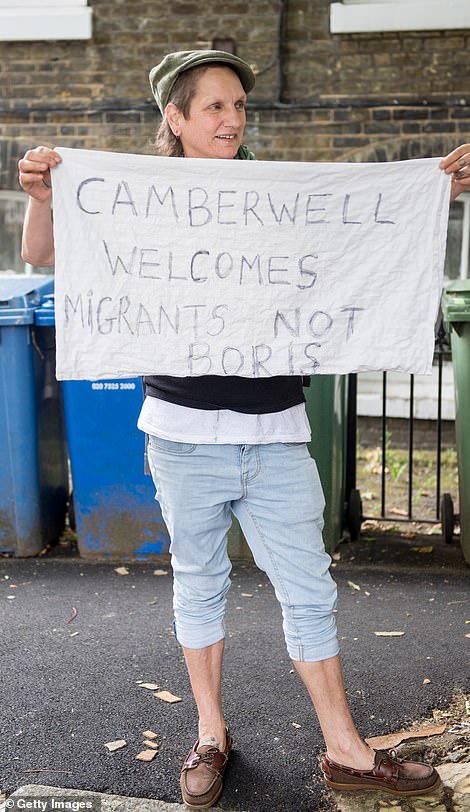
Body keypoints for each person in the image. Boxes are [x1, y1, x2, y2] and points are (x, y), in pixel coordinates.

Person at [19, 49, 470, 810]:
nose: (233, 120)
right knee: (199, 586)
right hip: (182, 434)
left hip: (275, 432)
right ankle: (210, 735)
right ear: (177, 117)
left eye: (240, 107)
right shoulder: (134, 196)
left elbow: (360, 244)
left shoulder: (277, 193)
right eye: (216, 107)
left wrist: (433, 195)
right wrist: (41, 193)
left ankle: (346, 749)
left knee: (309, 592)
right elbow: (42, 253)